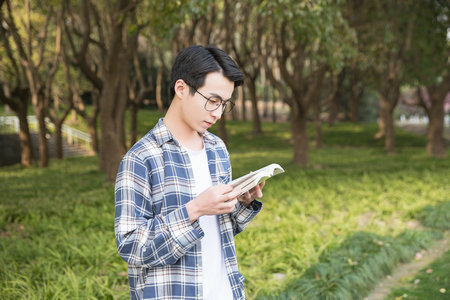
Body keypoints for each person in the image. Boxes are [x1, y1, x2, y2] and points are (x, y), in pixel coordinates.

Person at [114, 45, 265, 300]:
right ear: (181, 89)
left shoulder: (217, 149)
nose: (217, 113)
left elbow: (220, 230)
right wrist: (194, 209)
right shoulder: (141, 158)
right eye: (212, 100)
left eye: (224, 104)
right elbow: (131, 247)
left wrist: (240, 203)